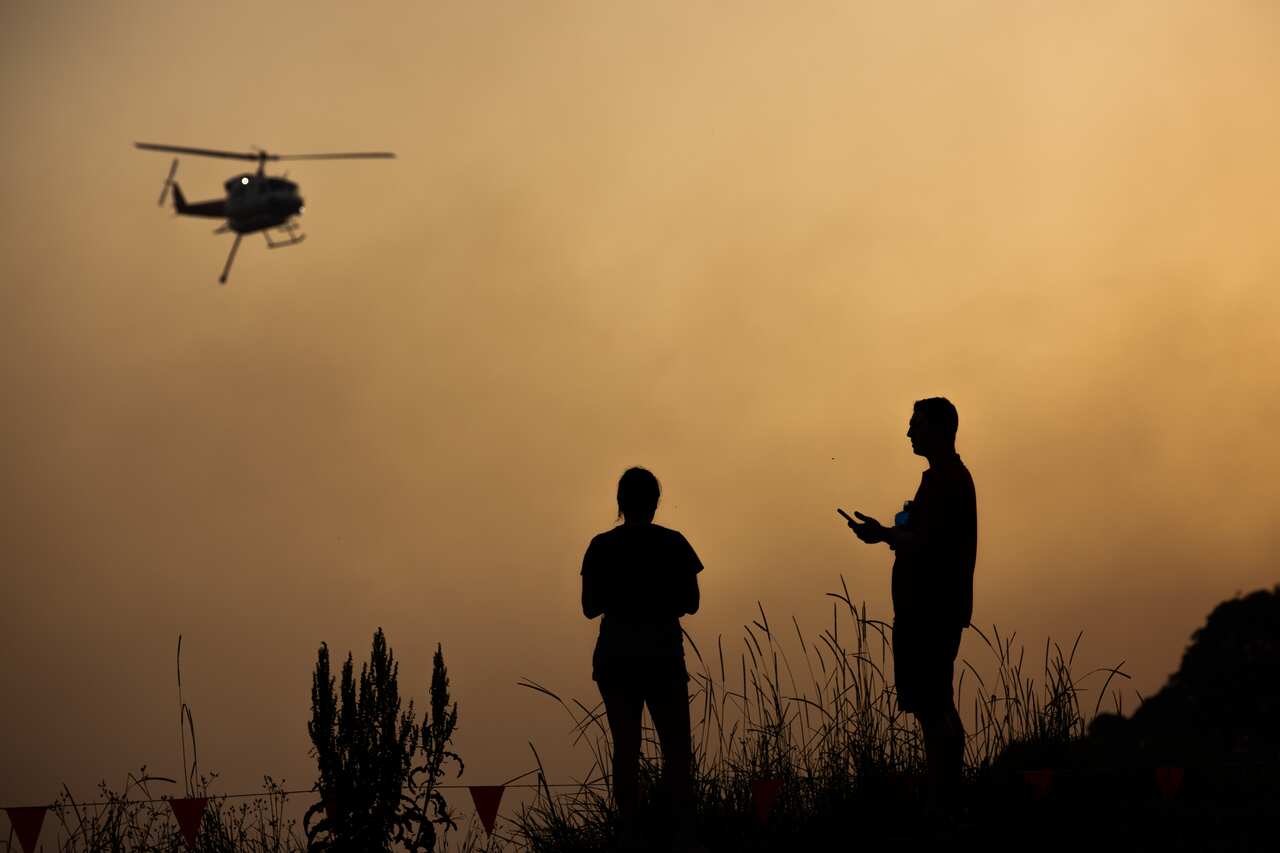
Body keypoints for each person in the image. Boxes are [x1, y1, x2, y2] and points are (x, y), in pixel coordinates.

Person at [844, 397, 977, 804]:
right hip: (929, 610)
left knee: (934, 708)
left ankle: (945, 797)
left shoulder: (947, 480)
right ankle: (945, 793)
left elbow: (927, 543)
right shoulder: (944, 479)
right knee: (933, 704)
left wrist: (883, 535)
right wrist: (888, 532)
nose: (908, 433)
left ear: (937, 430)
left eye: (915, 425)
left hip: (930, 612)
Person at [581, 467, 706, 853]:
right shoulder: (674, 544)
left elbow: (589, 607)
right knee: (677, 748)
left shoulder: (601, 546)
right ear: (655, 503)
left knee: (625, 746)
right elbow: (692, 603)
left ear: (620, 503)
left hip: (616, 659)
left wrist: (622, 594)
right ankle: (679, 830)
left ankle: (631, 831)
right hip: (662, 656)